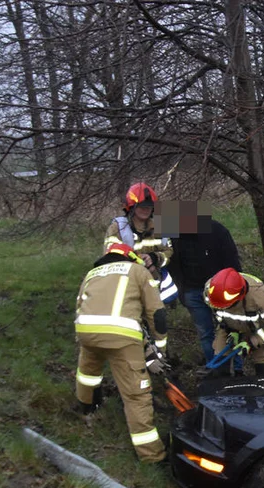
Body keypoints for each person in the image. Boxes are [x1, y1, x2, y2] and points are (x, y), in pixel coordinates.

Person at [74, 242, 169, 464]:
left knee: (88, 373)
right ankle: (152, 456)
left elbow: (81, 304)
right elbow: (157, 314)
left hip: (86, 331)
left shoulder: (92, 273)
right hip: (122, 338)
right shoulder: (138, 271)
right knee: (136, 395)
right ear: (131, 258)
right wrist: (159, 349)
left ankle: (88, 407)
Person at [164, 201, 243, 366]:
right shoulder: (172, 237)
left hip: (221, 291)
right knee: (205, 334)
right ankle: (214, 367)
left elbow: (233, 263)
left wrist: (234, 289)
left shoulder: (217, 232)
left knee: (230, 330)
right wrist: (181, 293)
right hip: (192, 292)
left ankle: (236, 368)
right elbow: (171, 266)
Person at [203, 267, 264, 377]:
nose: (224, 308)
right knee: (220, 359)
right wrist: (229, 329)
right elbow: (218, 315)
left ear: (239, 295)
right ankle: (223, 389)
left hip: (258, 330)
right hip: (228, 327)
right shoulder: (209, 291)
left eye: (226, 305)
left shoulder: (260, 297)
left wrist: (251, 343)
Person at [103, 182, 177, 305]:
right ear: (131, 207)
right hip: (126, 283)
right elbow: (109, 256)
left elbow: (169, 251)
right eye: (141, 206)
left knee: (155, 319)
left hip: (153, 283)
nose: (146, 209)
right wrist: (137, 262)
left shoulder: (161, 226)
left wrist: (154, 258)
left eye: (149, 206)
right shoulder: (117, 228)